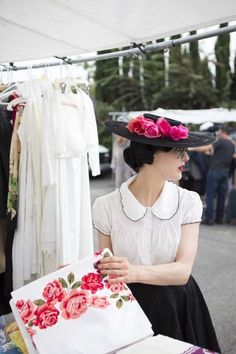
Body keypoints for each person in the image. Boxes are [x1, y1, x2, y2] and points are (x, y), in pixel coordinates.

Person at [92, 113, 221, 353]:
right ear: (151, 153)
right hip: (126, 306)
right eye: (178, 150)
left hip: (177, 304)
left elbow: (182, 271)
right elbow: (107, 270)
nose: (186, 157)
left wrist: (132, 271)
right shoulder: (106, 206)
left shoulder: (188, 201)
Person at [192, 126, 235, 225]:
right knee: (222, 196)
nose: (218, 133)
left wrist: (191, 148)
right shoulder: (232, 144)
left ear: (223, 132)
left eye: (219, 131)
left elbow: (207, 148)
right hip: (225, 172)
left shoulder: (221, 141)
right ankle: (219, 219)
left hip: (215, 171)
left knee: (210, 195)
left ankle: (209, 219)